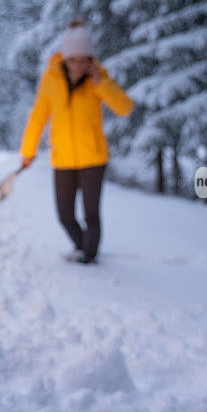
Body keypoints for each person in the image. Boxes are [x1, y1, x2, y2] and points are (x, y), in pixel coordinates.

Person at [19, 20, 133, 264]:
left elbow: (124, 108)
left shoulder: (98, 79)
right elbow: (38, 117)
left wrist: (100, 83)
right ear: (66, 57)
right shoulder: (51, 79)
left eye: (85, 59)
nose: (80, 65)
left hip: (93, 158)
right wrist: (28, 151)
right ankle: (83, 248)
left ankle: (88, 256)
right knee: (65, 215)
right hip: (63, 159)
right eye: (74, 60)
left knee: (91, 214)